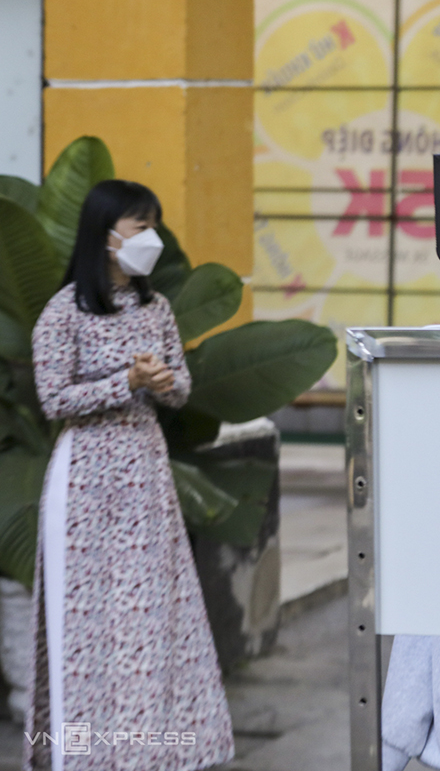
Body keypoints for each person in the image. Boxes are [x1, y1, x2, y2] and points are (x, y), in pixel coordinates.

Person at [25, 180, 235, 771]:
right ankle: (86, 756)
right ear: (105, 232)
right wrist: (128, 382)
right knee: (88, 622)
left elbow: (182, 387)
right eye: (139, 225)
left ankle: (148, 752)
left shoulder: (158, 308)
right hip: (86, 481)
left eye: (153, 224)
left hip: (145, 478)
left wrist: (164, 382)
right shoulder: (63, 311)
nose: (151, 237)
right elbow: (53, 398)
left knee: (149, 618)